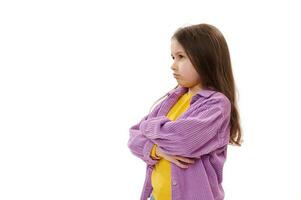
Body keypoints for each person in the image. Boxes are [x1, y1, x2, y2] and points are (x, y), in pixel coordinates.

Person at [127, 23, 243, 200]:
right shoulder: (172, 99)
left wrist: (147, 126)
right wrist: (157, 151)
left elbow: (182, 140)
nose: (173, 65)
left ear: (205, 59)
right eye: (172, 57)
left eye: (181, 57)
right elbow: (133, 137)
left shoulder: (216, 106)